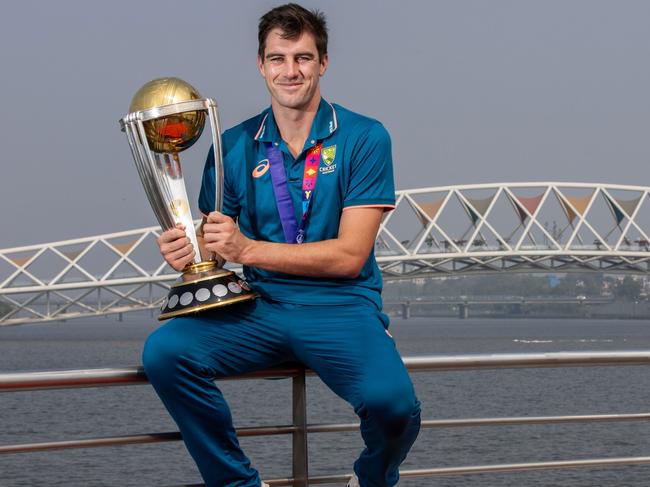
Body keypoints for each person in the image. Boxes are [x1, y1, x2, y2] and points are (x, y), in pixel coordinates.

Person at [142, 4, 421, 486]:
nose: (290, 71)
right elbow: (215, 247)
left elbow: (350, 257)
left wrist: (246, 250)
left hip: (341, 305)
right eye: (278, 58)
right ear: (260, 65)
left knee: (394, 407)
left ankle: (370, 479)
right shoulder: (230, 145)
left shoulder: (364, 137)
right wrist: (187, 252)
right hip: (261, 306)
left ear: (323, 63)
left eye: (303, 58)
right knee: (166, 353)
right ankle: (238, 484)